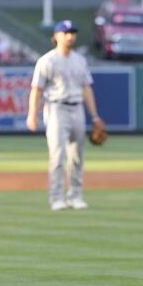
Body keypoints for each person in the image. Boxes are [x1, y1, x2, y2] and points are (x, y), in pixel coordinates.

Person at [27, 20, 104, 211]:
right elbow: (36, 90)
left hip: (77, 107)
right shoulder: (47, 61)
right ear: (56, 36)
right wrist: (32, 115)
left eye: (73, 32)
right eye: (66, 32)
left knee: (77, 155)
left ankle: (75, 195)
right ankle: (56, 197)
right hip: (56, 108)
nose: (70, 36)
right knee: (57, 155)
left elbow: (86, 89)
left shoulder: (80, 60)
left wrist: (94, 116)